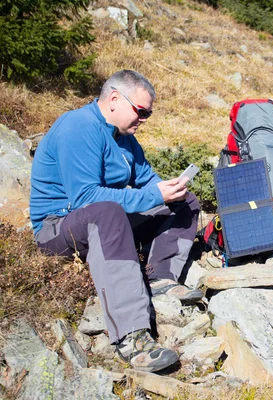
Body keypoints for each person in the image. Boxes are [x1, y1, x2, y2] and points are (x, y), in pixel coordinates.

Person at [29, 69, 201, 372]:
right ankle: (131, 338)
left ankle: (162, 276)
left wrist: (169, 191)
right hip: (56, 228)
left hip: (99, 223)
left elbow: (149, 183)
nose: (145, 119)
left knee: (184, 202)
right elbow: (85, 199)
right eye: (141, 111)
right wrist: (153, 196)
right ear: (113, 99)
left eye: (148, 113)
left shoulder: (126, 141)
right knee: (107, 211)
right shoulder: (78, 127)